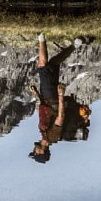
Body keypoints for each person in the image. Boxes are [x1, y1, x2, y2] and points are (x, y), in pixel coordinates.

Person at [29, 33, 86, 163]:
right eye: (35, 153)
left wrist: (37, 94)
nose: (34, 150)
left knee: (53, 63)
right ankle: (41, 36)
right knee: (43, 66)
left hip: (46, 97)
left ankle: (75, 45)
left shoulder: (44, 134)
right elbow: (60, 117)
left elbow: (45, 112)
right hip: (53, 98)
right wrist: (60, 96)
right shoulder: (53, 137)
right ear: (42, 151)